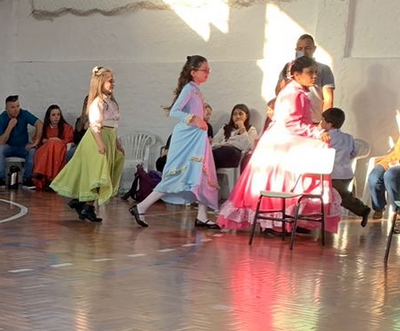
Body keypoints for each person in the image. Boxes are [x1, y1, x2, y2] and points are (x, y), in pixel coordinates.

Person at [217, 55, 333, 233]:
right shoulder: (293, 94)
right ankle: (273, 222)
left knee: (295, 177)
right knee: (279, 183)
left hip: (286, 142)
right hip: (281, 145)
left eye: (315, 72)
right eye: (310, 72)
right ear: (297, 74)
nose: (314, 76)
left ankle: (293, 218)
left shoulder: (298, 92)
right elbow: (291, 123)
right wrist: (316, 132)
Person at [132, 55, 220, 228]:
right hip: (187, 139)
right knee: (177, 174)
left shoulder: (196, 90)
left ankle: (202, 216)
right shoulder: (189, 89)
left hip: (197, 138)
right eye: (205, 70)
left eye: (209, 70)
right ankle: (141, 206)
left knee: (202, 174)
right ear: (193, 72)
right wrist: (194, 118)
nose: (208, 73)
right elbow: (175, 111)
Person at [50, 66, 122, 222]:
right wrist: (100, 144)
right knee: (97, 173)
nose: (113, 84)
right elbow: (95, 125)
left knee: (101, 173)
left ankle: (85, 206)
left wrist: (116, 143)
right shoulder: (97, 102)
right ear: (101, 82)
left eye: (113, 81)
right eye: (110, 81)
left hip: (108, 138)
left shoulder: (110, 102)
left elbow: (113, 126)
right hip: (97, 139)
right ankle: (85, 204)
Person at [319, 107, 370, 222]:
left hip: (334, 174)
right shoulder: (348, 137)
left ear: (329, 124)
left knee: (343, 197)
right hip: (346, 173)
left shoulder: (325, 138)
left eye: (323, 121)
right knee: (342, 196)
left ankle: (363, 210)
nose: (320, 123)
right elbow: (353, 153)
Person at [278, 35, 335, 112]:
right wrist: (289, 77)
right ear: (296, 50)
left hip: (314, 117)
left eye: (307, 48)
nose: (304, 52)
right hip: (291, 115)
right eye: (300, 49)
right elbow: (278, 92)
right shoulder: (289, 67)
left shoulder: (324, 69)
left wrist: (324, 118)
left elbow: (328, 99)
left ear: (314, 49)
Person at [0, 96, 38, 187]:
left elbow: (39, 124)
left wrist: (36, 142)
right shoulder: (0, 119)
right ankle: (0, 179)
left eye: (17, 106)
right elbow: (0, 141)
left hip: (22, 147)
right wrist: (10, 127)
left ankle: (27, 179)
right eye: (12, 107)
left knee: (32, 150)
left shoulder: (24, 114)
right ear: (6, 109)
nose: (16, 110)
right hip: (8, 147)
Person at [29, 104, 73, 190]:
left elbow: (68, 140)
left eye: (58, 114)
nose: (56, 117)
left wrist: (54, 140)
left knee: (53, 143)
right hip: (46, 150)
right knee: (49, 145)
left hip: (61, 149)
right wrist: (46, 141)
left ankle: (41, 172)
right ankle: (47, 178)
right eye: (53, 115)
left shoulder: (66, 127)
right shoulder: (44, 128)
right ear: (49, 117)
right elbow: (37, 140)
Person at [212, 104, 258, 172]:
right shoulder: (225, 128)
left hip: (235, 155)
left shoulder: (251, 129)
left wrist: (242, 128)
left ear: (246, 116)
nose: (237, 116)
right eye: (235, 114)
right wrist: (224, 144)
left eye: (240, 114)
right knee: (209, 153)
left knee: (228, 150)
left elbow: (248, 147)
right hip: (220, 152)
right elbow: (213, 143)